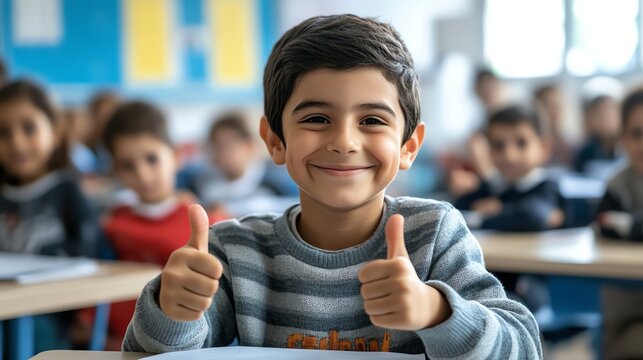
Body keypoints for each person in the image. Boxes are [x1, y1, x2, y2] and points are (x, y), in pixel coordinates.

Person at [123, 15, 541, 358]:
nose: (344, 141)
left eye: (372, 120)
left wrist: (435, 311)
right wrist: (171, 311)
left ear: (409, 145)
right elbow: (151, 352)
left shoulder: (433, 234)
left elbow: (523, 347)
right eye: (317, 119)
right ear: (274, 141)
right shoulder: (235, 250)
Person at [101, 101, 225, 349]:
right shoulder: (112, 222)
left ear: (177, 156)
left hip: (181, 342)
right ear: (115, 169)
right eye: (128, 165)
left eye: (151, 159)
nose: (143, 174)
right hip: (119, 345)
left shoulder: (205, 221)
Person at [0, 80, 99, 352]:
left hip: (51, 312)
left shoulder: (68, 191)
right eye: (3, 132)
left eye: (29, 128)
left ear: (55, 132)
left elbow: (87, 250)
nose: (16, 142)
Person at [597, 88, 643, 360]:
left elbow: (621, 225)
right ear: (623, 137)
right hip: (627, 320)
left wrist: (631, 226)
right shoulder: (615, 185)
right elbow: (607, 224)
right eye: (637, 134)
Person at [193, 111, 297, 215]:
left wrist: (233, 208)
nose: (220, 153)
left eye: (227, 145)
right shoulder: (204, 182)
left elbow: (297, 205)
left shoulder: (275, 179)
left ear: (249, 146)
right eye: (216, 146)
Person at [574, 95, 622, 176]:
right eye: (600, 115)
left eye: (609, 114)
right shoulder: (586, 153)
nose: (605, 120)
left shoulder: (628, 149)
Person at [533, 84, 573, 167]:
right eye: (548, 106)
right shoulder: (530, 144)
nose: (555, 112)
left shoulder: (573, 144)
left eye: (558, 106)